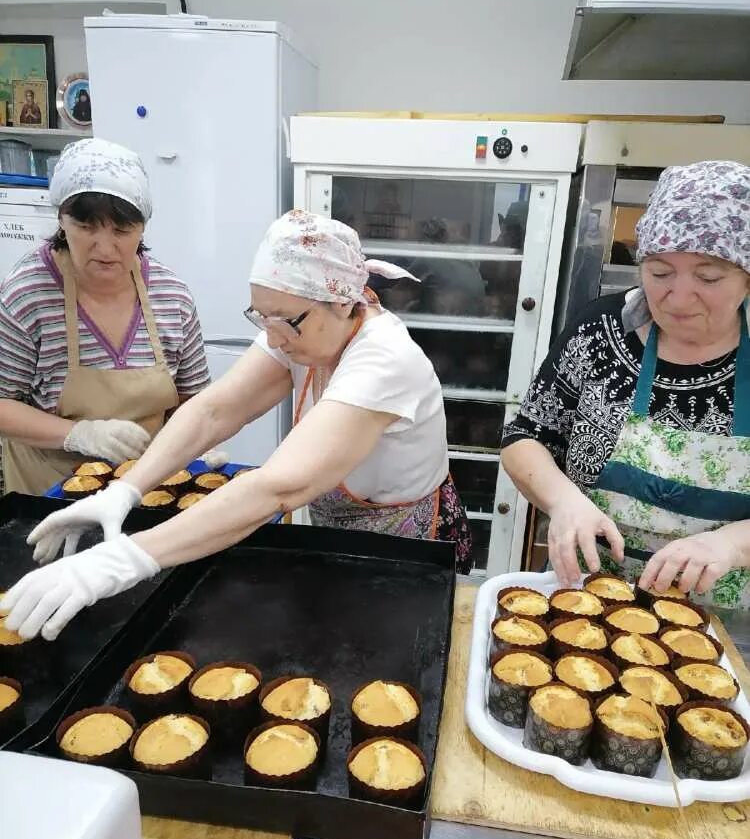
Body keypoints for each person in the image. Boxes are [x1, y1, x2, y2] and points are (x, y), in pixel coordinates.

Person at [1, 210, 472, 641]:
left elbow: (278, 488)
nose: (272, 338)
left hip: (410, 544)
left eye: (285, 321)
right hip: (340, 528)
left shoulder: (385, 360)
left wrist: (122, 560)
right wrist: (127, 490)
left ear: (344, 303)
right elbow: (214, 411)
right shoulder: (295, 331)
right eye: (260, 317)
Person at [501, 160, 750, 609]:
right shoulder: (601, 330)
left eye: (708, 276)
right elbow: (526, 437)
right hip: (584, 599)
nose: (677, 296)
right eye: (659, 272)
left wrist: (731, 545)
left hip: (720, 624)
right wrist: (563, 500)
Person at [0, 137, 209, 495]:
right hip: (48, 490)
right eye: (86, 227)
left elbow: (193, 399)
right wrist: (78, 435)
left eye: (121, 230)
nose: (105, 247)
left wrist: (197, 444)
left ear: (142, 227)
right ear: (62, 220)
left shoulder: (171, 297)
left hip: (146, 488)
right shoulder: (27, 296)